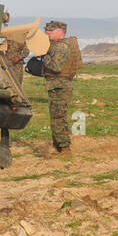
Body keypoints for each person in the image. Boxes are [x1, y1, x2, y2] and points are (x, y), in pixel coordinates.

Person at [41, 20, 82, 155]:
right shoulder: (58, 45)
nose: (47, 34)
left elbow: (56, 67)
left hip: (60, 85)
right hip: (58, 85)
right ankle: (58, 145)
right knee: (56, 117)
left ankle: (64, 148)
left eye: (50, 31)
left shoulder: (61, 47)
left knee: (58, 118)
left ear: (60, 32)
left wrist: (44, 57)